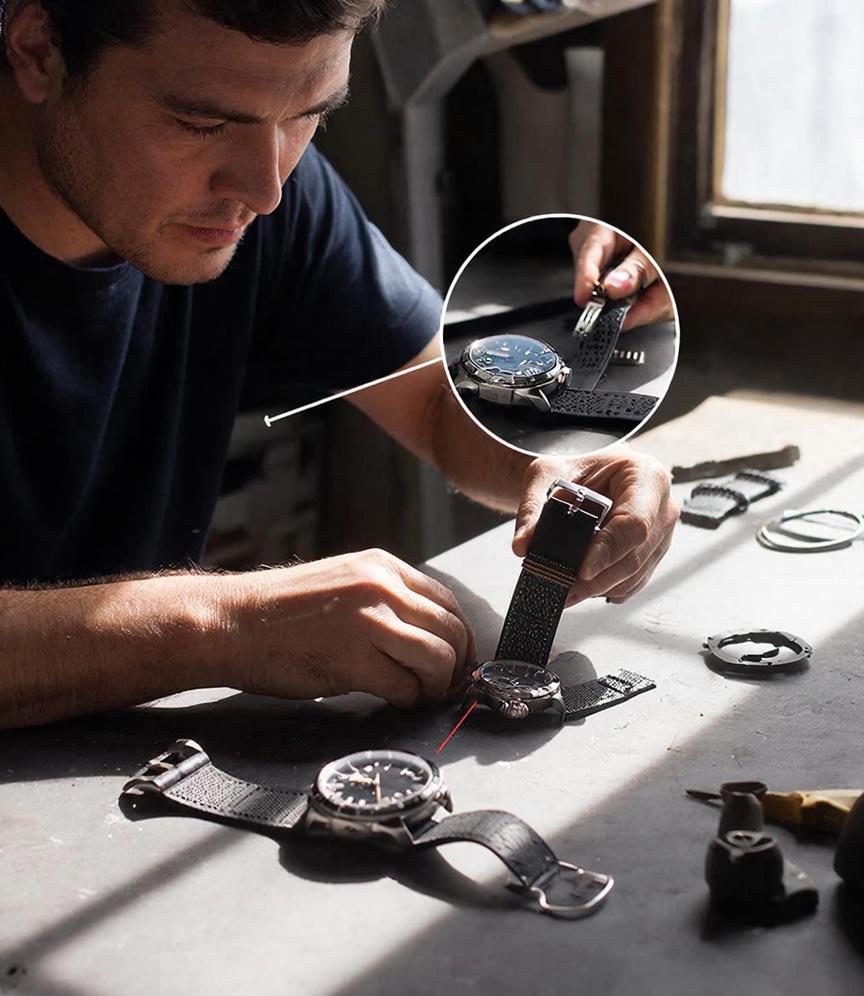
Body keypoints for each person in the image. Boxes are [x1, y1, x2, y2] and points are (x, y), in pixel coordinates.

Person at [0, 0, 679, 730]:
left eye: (309, 116)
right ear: (39, 50)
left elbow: (432, 399)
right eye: (201, 123)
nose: (264, 192)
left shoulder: (269, 198)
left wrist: (553, 462)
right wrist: (220, 623)